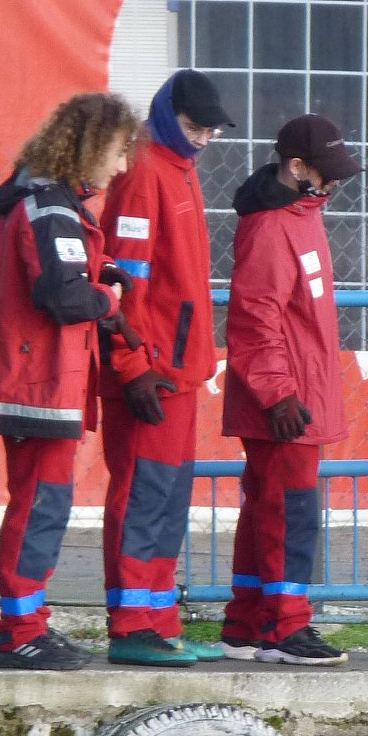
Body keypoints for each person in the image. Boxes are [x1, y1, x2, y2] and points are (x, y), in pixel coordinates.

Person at [0, 91, 140, 671]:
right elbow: (62, 296)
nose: (122, 166)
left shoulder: (52, 204)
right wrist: (108, 297)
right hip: (35, 384)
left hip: (38, 380)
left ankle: (29, 624)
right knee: (41, 504)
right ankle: (21, 632)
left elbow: (62, 268)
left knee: (44, 502)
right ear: (90, 147)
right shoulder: (51, 208)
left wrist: (101, 269)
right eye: (118, 152)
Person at [96, 69, 236, 667]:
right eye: (193, 126)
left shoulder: (178, 169)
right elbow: (124, 278)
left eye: (209, 131)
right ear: (165, 115)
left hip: (176, 371)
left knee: (168, 499)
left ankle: (158, 621)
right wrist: (132, 366)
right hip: (151, 373)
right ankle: (132, 625)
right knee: (142, 494)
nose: (202, 138)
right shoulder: (144, 173)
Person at [221, 114, 361, 666]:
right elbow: (255, 319)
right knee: (289, 510)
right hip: (285, 402)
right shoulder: (272, 227)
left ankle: (247, 624)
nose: (336, 183)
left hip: (293, 396)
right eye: (328, 173)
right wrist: (278, 393)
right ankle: (285, 627)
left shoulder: (301, 217)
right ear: (297, 166)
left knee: (267, 507)